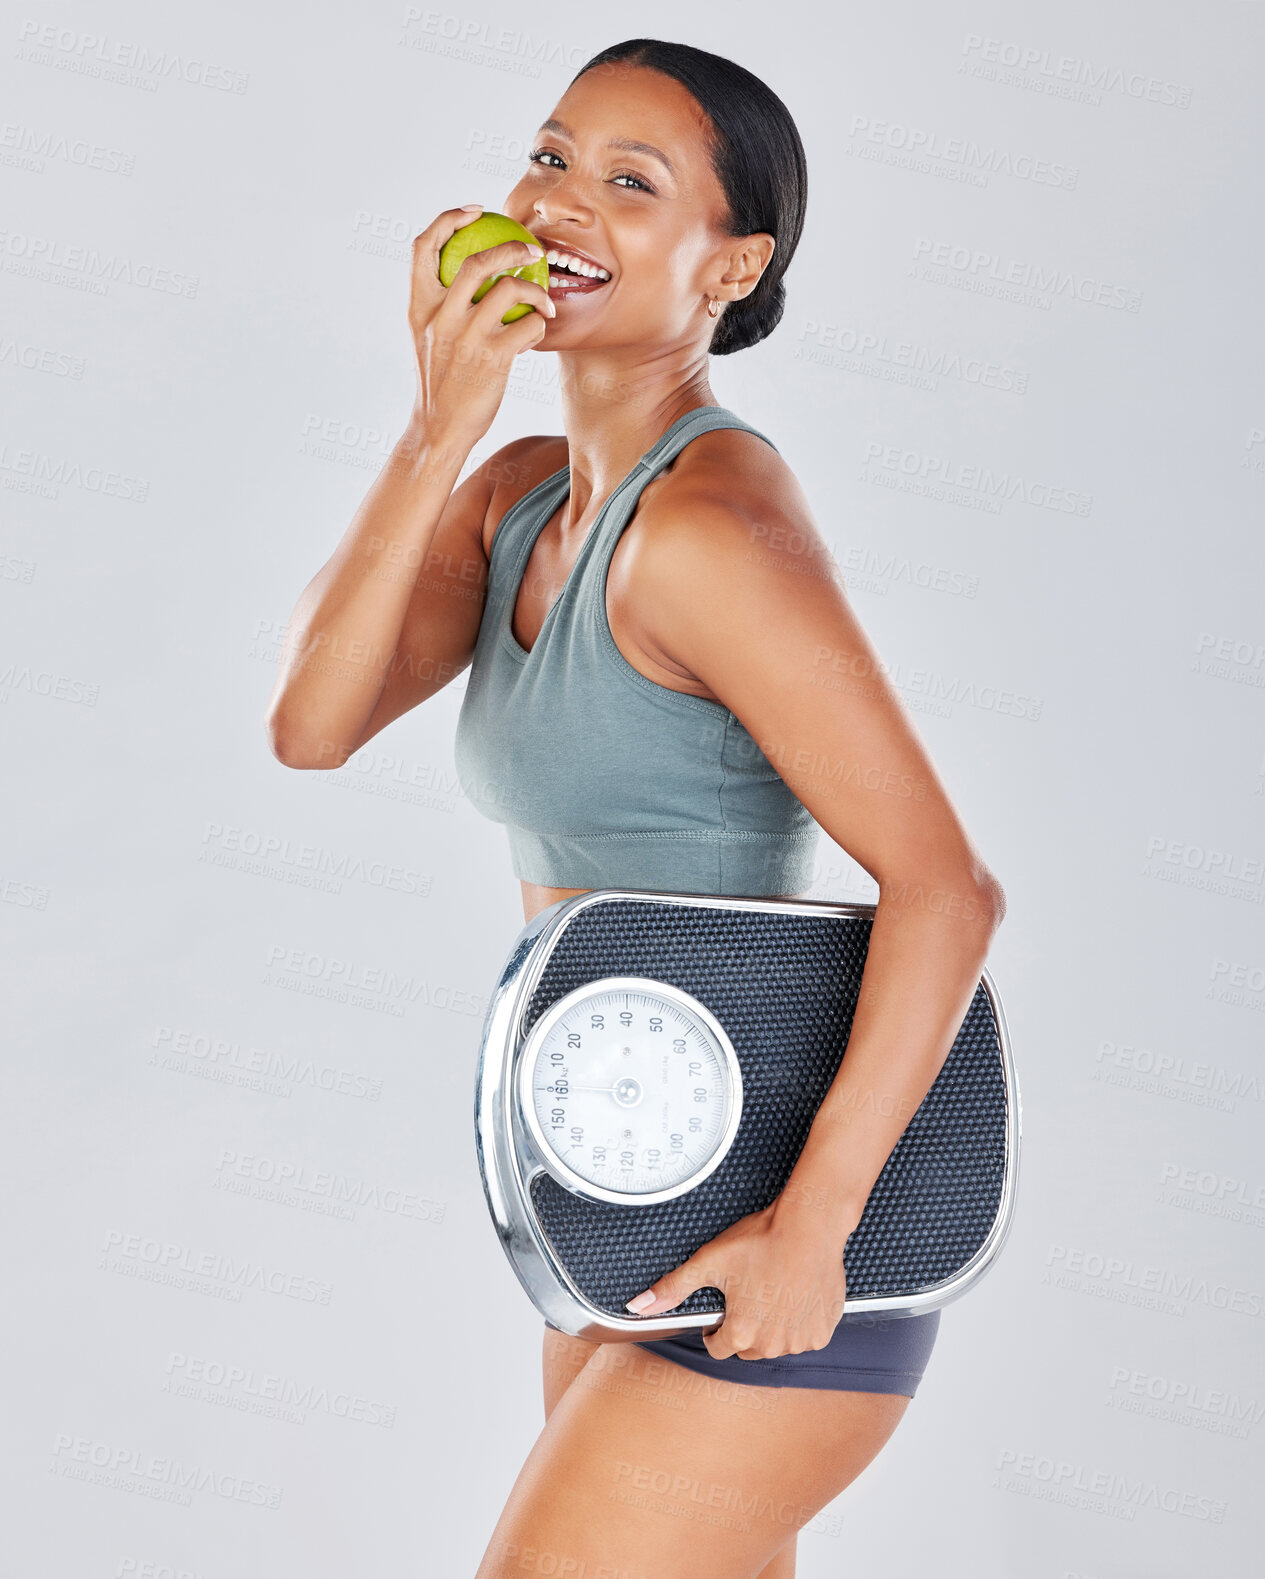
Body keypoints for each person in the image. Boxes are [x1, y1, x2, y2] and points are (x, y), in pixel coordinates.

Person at [267, 37, 1005, 1579]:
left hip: (784, 1212)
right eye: (548, 158)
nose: (557, 204)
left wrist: (813, 1231)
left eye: (629, 182)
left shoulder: (709, 534)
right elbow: (310, 725)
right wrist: (434, 423)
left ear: (731, 267)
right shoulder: (521, 492)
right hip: (627, 1175)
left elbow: (946, 886)